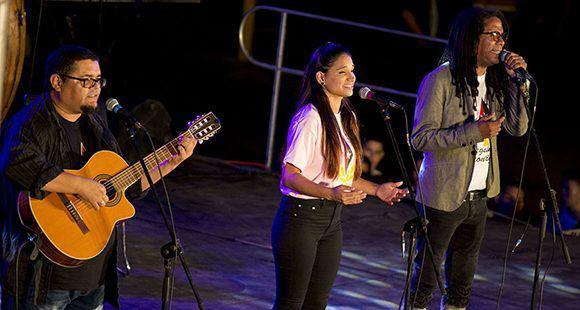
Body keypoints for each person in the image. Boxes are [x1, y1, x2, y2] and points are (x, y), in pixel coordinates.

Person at [0, 45, 196, 309]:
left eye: (98, 80)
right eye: (86, 80)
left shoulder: (95, 124)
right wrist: (82, 186)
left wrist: (173, 160)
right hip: (44, 276)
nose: (95, 87)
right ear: (57, 82)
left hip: (93, 275)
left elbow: (129, 186)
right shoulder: (30, 122)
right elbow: (16, 163)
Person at [272, 42, 408, 309]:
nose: (352, 78)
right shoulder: (309, 118)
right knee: (291, 303)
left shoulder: (347, 117)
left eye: (353, 71)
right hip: (301, 220)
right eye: (343, 72)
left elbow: (342, 177)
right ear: (322, 77)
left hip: (331, 222)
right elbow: (289, 176)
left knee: (317, 302)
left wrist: (377, 190)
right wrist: (331, 193)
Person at [410, 7, 529, 309]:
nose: (500, 42)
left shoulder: (498, 81)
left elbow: (518, 128)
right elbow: (420, 138)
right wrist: (472, 132)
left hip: (478, 195)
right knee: (426, 278)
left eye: (502, 36)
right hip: (442, 195)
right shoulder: (440, 80)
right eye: (492, 35)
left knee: (462, 282)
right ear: (470, 39)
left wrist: (519, 85)